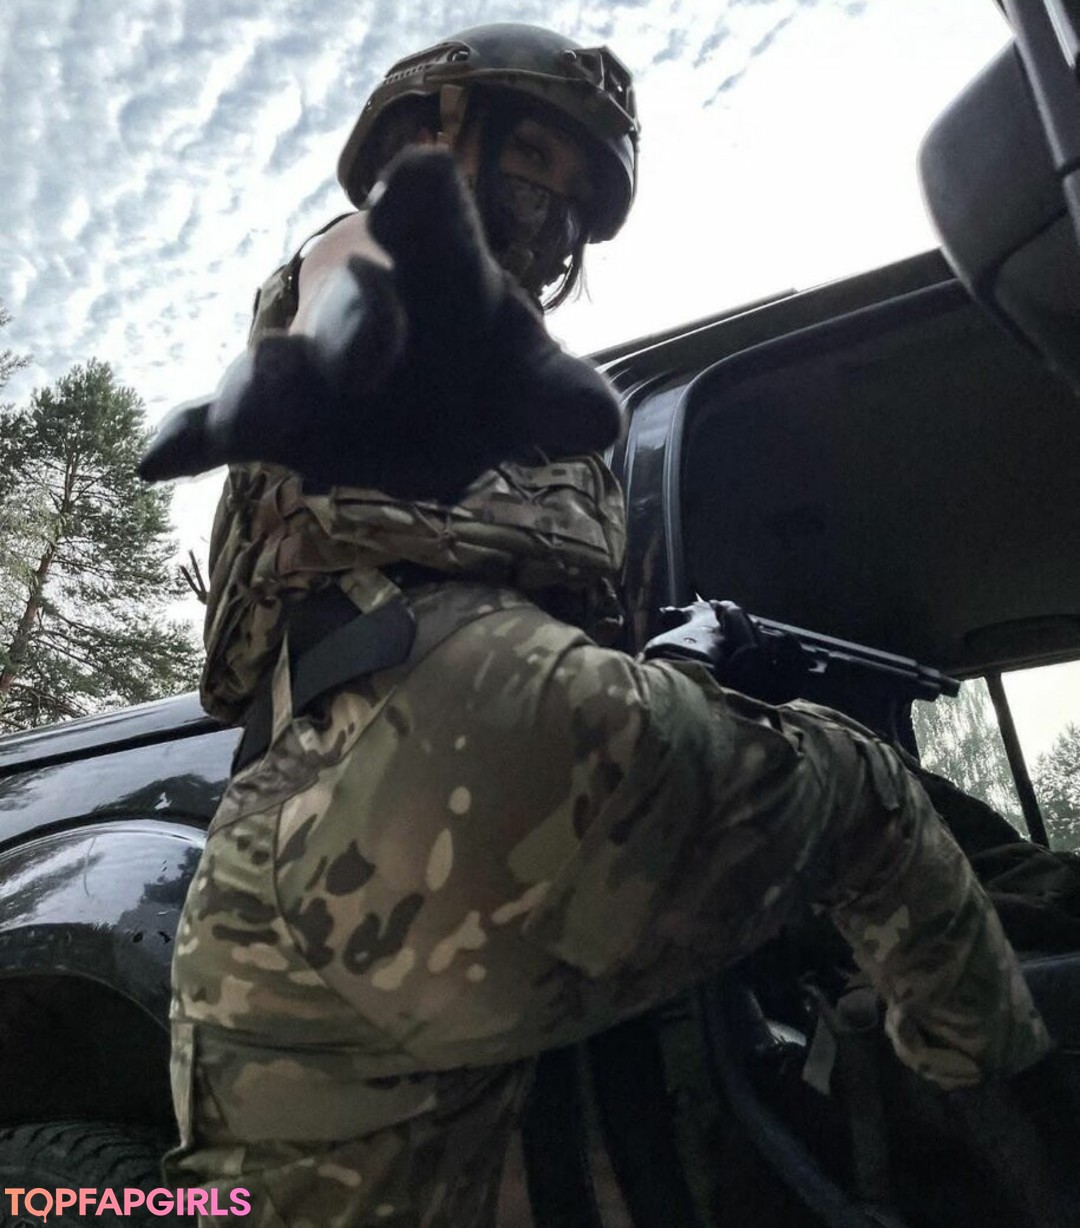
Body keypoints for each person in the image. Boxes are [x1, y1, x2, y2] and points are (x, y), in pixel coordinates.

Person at [164, 23, 1052, 1228]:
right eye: (536, 157)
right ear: (435, 135)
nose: (555, 215)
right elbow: (352, 271)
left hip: (273, 835)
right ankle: (1027, 1135)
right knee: (873, 794)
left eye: (578, 196)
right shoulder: (371, 253)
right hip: (452, 728)